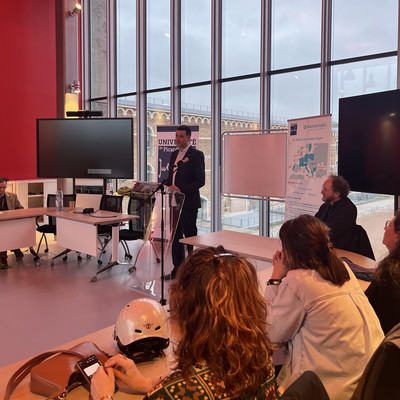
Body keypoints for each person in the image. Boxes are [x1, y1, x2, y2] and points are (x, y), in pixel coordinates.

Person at [91, 246, 280, 400]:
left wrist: (103, 396)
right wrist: (147, 384)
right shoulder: (261, 356)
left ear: (187, 314)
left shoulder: (174, 394)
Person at [264, 214, 384, 400]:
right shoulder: (343, 270)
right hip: (362, 380)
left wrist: (276, 278)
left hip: (323, 390)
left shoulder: (300, 281)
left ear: (291, 250)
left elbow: (272, 333)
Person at [165, 125, 205, 280]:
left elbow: (200, 181)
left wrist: (181, 189)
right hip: (174, 201)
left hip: (188, 203)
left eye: (181, 136)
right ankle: (178, 268)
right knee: (175, 236)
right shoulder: (174, 154)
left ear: (189, 138)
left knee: (189, 237)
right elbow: (171, 178)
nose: (177, 139)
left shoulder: (196, 155)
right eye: (176, 136)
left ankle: (192, 270)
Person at [366, 212, 400, 334]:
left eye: (389, 225)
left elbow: (367, 313)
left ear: (398, 236)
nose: (385, 228)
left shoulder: (389, 274)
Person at [314, 175, 357, 251]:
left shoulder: (348, 209)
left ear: (337, 194)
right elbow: (313, 224)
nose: (321, 192)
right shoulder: (325, 206)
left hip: (339, 251)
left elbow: (330, 233)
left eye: (325, 189)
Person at [0, 177, 24, 269]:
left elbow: (20, 208)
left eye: (4, 187)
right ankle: (14, 250)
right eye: (0, 188)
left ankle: (3, 258)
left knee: (5, 231)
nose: (2, 190)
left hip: (11, 223)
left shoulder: (12, 196)